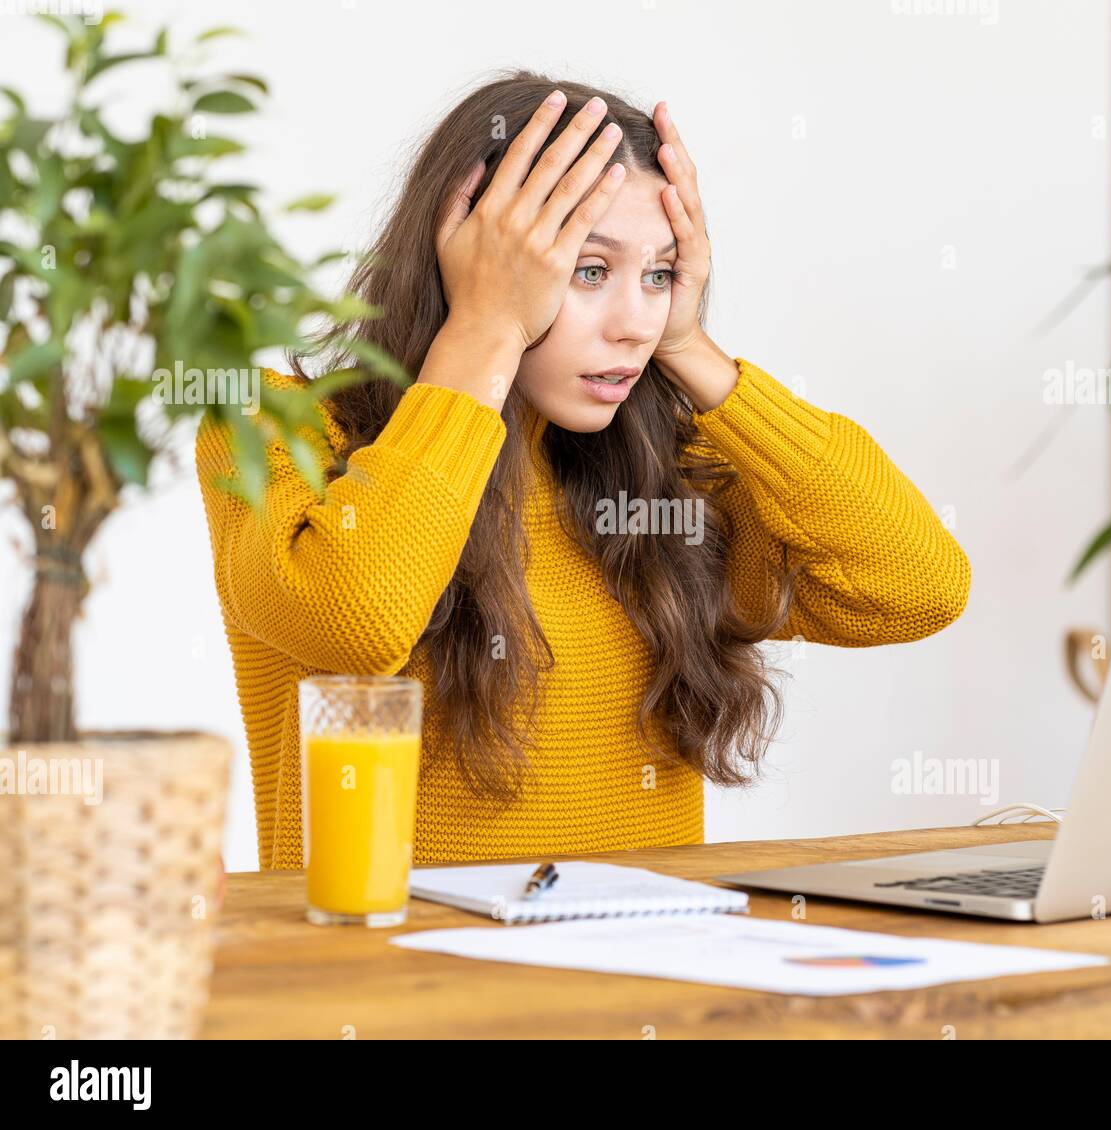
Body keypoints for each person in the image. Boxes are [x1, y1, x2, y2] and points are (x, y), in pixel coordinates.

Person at [197, 71, 971, 873]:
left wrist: (691, 350)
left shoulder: (672, 482)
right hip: (395, 980)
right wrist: (486, 330)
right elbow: (354, 622)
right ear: (467, 259)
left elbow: (920, 587)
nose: (635, 324)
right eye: (589, 271)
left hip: (645, 978)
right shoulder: (274, 428)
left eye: (661, 275)